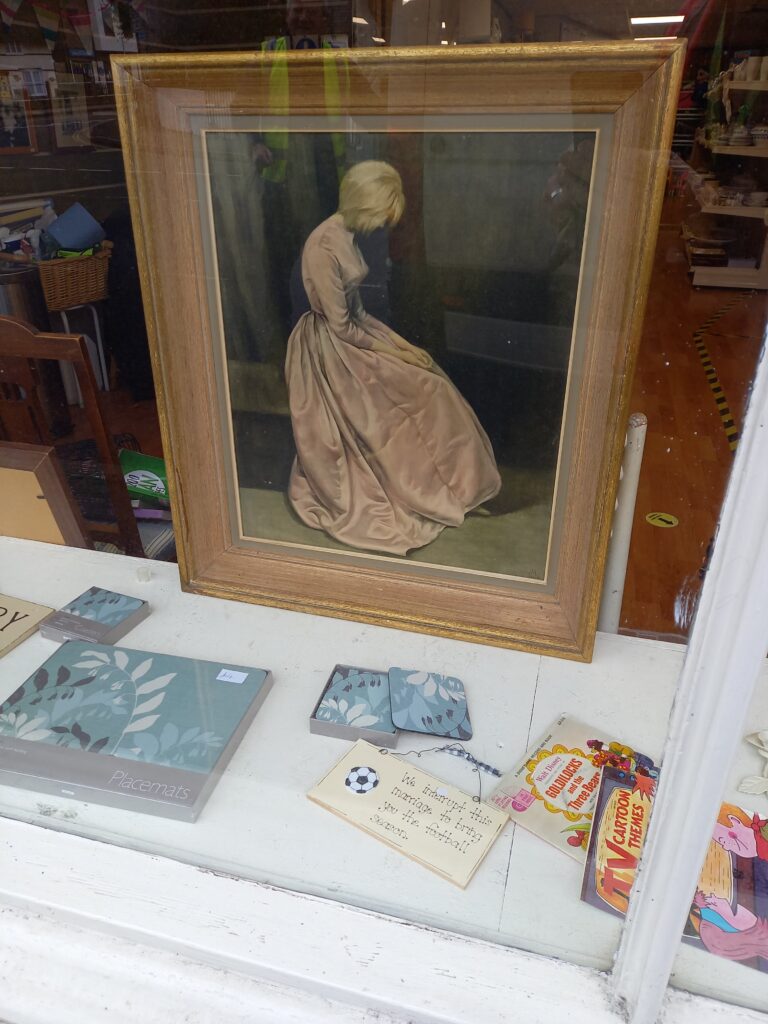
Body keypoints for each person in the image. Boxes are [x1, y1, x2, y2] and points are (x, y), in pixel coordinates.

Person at [285, 160, 501, 555]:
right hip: (331, 353)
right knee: (419, 391)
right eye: (381, 215)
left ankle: (454, 488)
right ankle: (424, 492)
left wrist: (405, 348)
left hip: (357, 336)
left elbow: (360, 316)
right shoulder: (322, 244)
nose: (382, 225)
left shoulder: (345, 234)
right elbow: (342, 328)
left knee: (431, 377)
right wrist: (393, 354)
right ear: (363, 204)